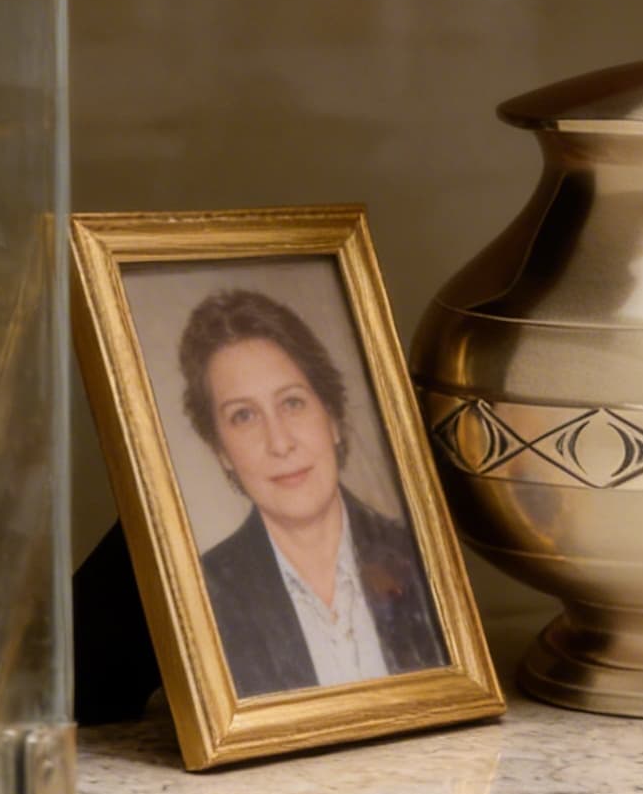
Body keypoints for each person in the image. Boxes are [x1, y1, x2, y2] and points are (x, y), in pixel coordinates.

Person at [178, 287, 446, 696]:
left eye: (292, 403)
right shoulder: (203, 594)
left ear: (333, 416)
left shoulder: (423, 558)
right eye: (244, 416)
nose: (280, 442)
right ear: (221, 451)